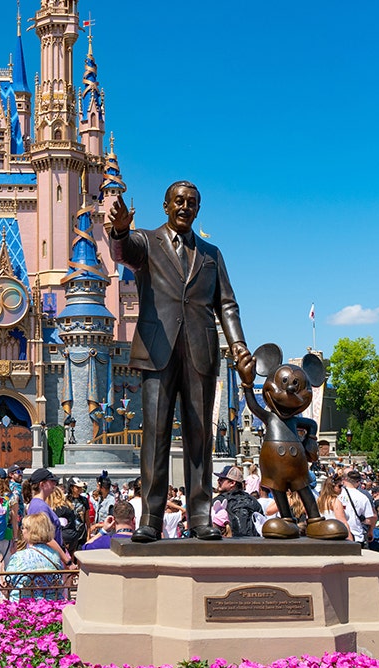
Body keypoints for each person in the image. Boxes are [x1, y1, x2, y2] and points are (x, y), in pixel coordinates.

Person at [107, 181, 251, 542]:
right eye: (179, 201)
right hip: (158, 351)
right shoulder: (146, 242)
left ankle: (200, 517)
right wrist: (120, 229)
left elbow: (227, 305)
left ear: (198, 209)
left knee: (199, 437)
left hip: (200, 351)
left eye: (191, 202)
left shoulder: (212, 254)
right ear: (166, 206)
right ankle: (151, 519)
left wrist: (239, 347)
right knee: (154, 435)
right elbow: (122, 252)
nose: (185, 207)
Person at [5, 514, 66, 599]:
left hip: (22, 607)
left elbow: (6, 587)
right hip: (51, 606)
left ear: (31, 531)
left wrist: (1, 566)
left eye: (23, 528)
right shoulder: (55, 556)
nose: (22, 531)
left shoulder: (19, 557)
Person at [26, 469, 73, 565]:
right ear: (42, 484)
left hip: (46, 557)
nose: (54, 484)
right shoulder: (39, 507)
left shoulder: (39, 504)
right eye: (51, 482)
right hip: (43, 559)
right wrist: (67, 561)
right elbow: (45, 538)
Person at [338, 471, 377, 545]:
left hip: (338, 533)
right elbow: (369, 519)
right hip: (356, 535)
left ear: (346, 479)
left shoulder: (338, 494)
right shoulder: (363, 497)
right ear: (358, 482)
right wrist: (369, 529)